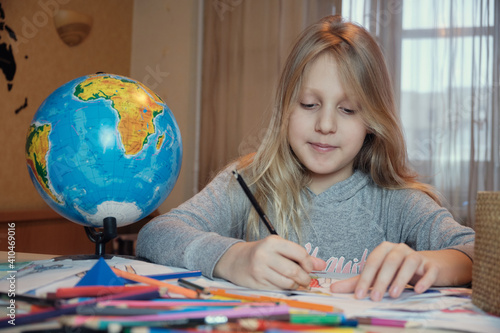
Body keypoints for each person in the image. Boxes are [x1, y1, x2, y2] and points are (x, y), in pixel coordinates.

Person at [136, 15, 474, 302]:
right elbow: (155, 235)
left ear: (372, 120)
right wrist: (233, 258)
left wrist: (425, 264)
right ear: (285, 107)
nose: (325, 125)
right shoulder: (249, 182)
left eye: (348, 109)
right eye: (309, 105)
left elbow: (482, 253)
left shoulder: (397, 202)